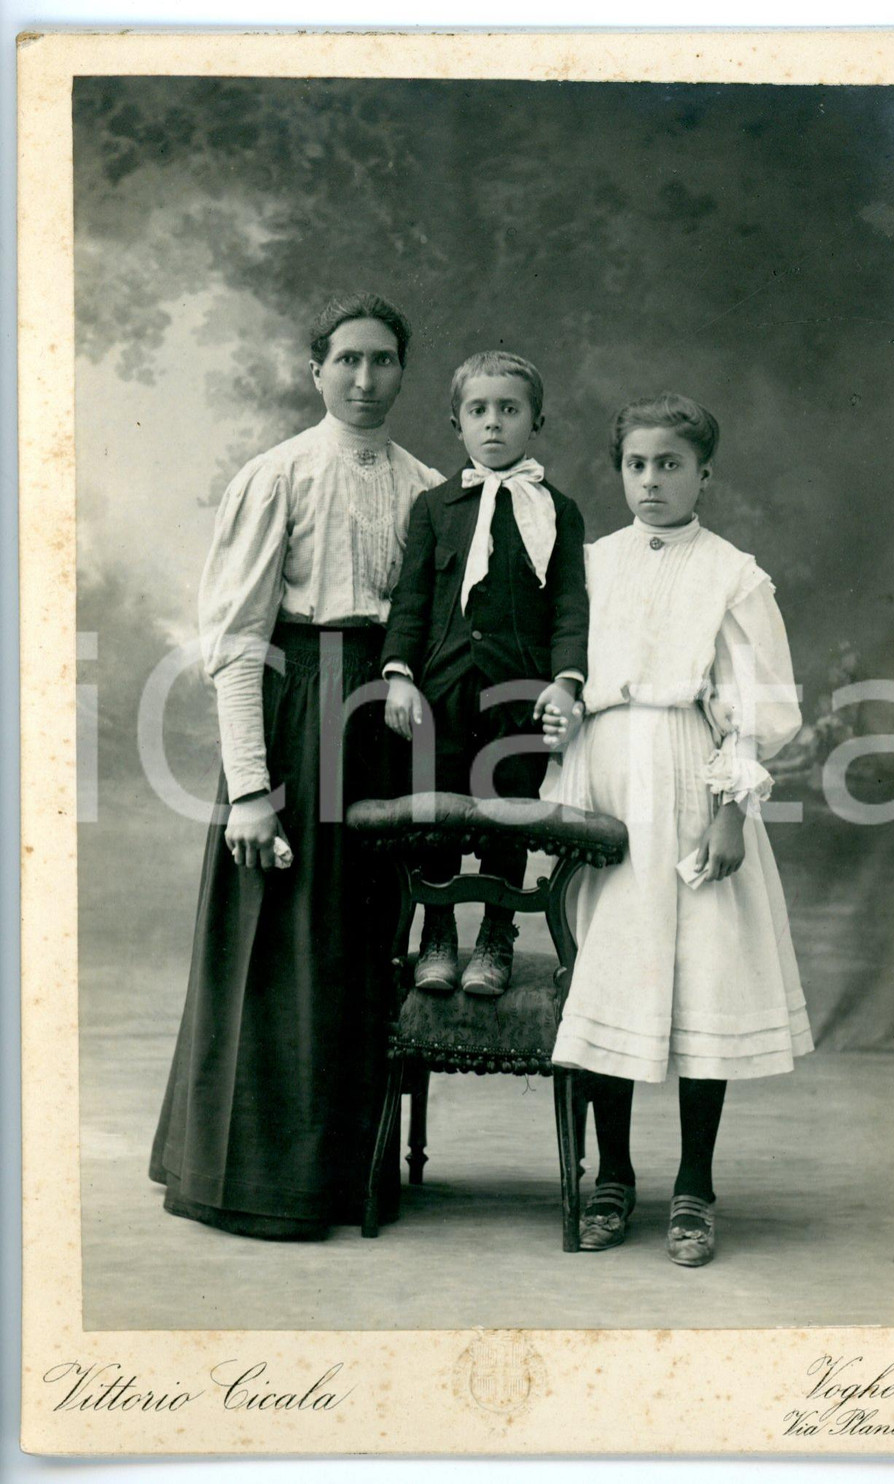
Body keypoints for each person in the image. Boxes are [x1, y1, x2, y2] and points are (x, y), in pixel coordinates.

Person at [149, 291, 443, 1240]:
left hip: (390, 723)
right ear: (315, 369)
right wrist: (248, 791)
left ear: (405, 371)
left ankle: (352, 1179)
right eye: (347, 359)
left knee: (362, 950)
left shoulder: (428, 487)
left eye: (384, 360)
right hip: (298, 710)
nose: (365, 379)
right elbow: (235, 644)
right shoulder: (275, 476)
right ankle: (255, 1183)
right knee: (282, 946)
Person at [540, 391, 813, 1265]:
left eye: (669, 465)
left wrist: (733, 811)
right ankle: (613, 1173)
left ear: (704, 474)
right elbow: (568, 663)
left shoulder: (732, 573)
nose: (650, 481)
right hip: (605, 777)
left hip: (692, 782)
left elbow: (758, 707)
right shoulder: (591, 562)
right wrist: (562, 706)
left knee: (701, 978)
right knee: (613, 972)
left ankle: (694, 1184)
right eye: (635, 464)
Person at [381, 350, 588, 996]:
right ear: (456, 423)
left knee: (511, 814)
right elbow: (410, 602)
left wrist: (566, 680)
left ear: (537, 422)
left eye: (509, 410)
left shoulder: (558, 510)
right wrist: (399, 675)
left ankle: (497, 934)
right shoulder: (434, 507)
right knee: (437, 812)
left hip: (518, 692)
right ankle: (437, 934)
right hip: (440, 690)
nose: (493, 423)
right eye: (478, 411)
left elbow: (570, 607)